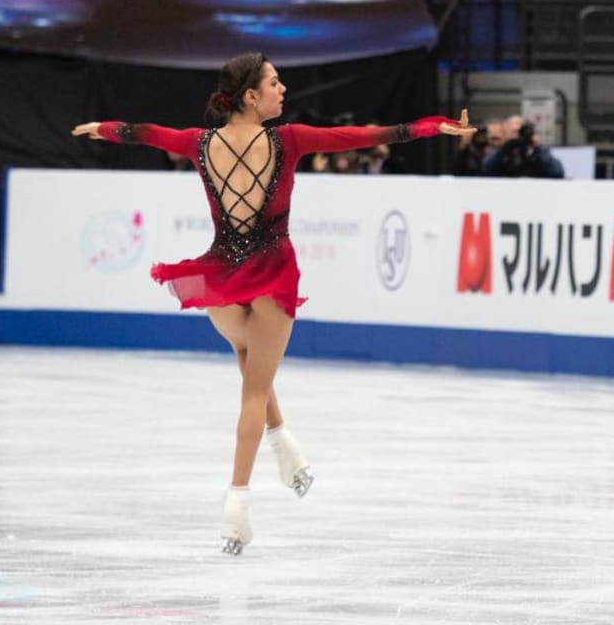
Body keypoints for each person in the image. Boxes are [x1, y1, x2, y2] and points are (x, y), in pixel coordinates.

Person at [71, 53, 475, 555]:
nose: (283, 90)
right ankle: (236, 506)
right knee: (254, 389)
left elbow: (145, 133)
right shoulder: (290, 140)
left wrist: (105, 128)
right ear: (250, 96)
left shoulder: (200, 143)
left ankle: (285, 449)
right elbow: (372, 135)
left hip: (219, 276)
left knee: (250, 364)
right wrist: (434, 126)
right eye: (275, 82)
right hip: (274, 274)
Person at [482, 116, 564, 178]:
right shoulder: (500, 153)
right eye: (514, 132)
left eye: (521, 132)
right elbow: (486, 170)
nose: (518, 135)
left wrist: (536, 148)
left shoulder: (537, 152)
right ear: (505, 134)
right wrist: (505, 150)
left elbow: (557, 172)